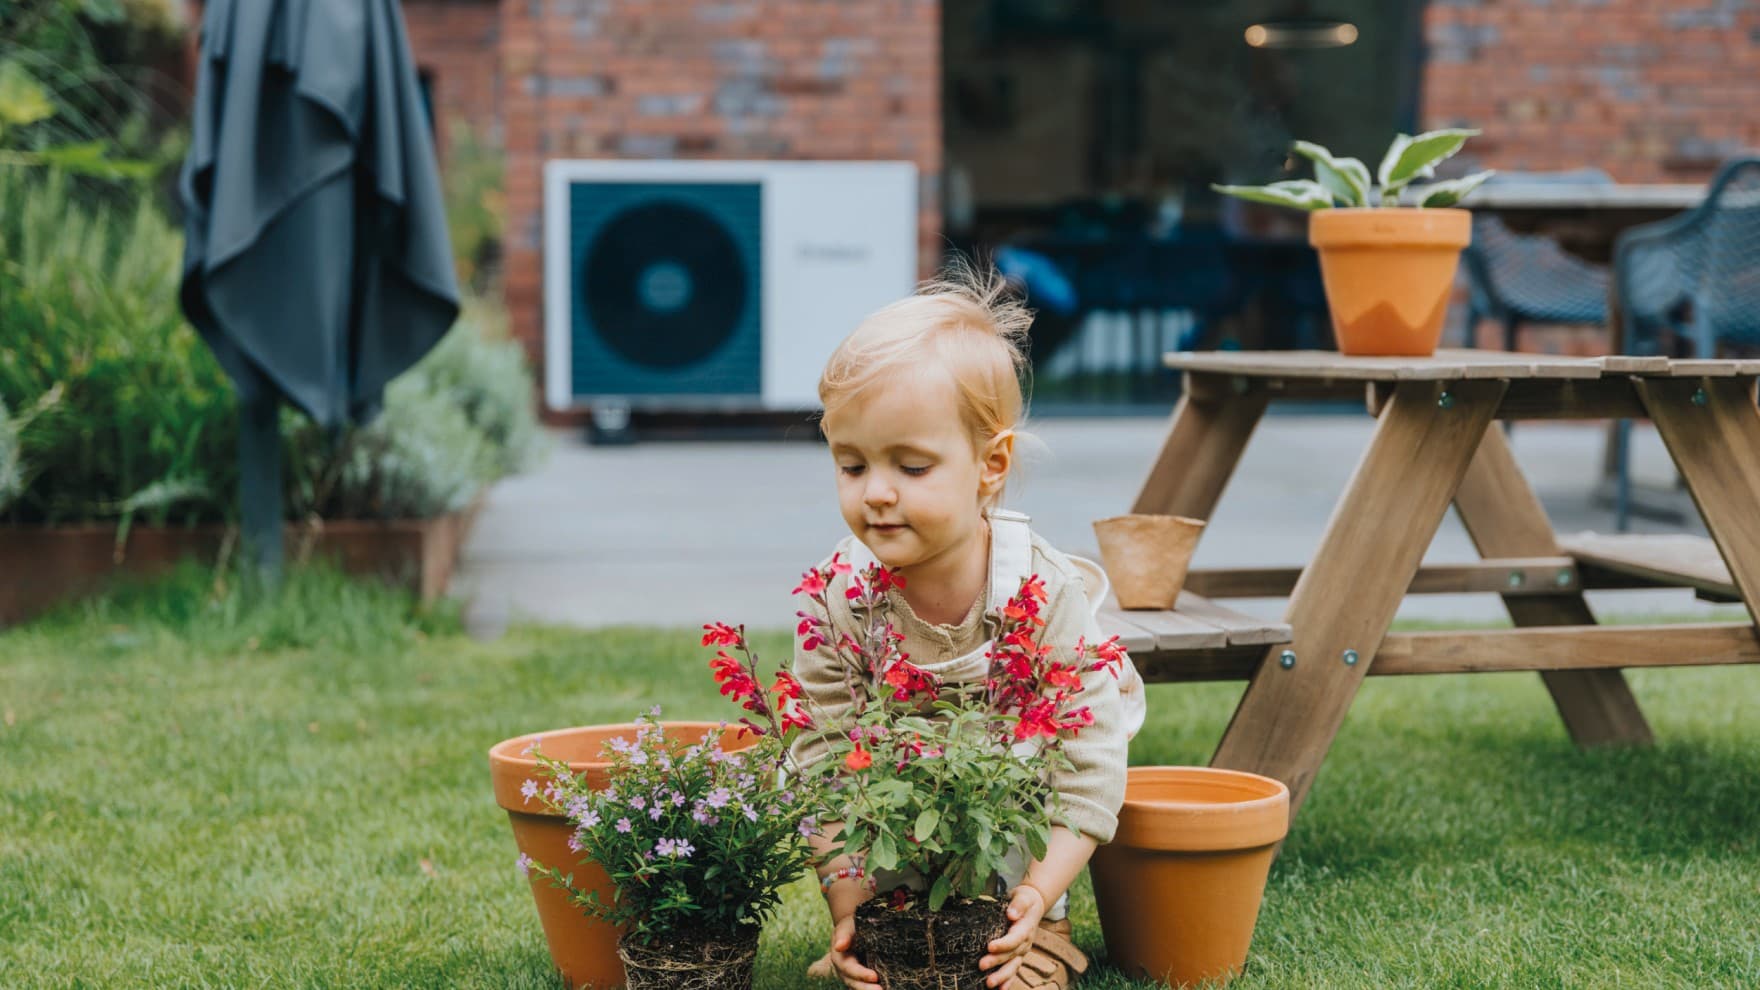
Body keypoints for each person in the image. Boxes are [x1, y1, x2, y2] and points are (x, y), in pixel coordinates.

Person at [793, 260, 1147, 989]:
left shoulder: (1040, 593)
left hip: (1021, 790)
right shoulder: (838, 597)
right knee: (835, 769)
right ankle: (888, 922)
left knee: (1019, 770)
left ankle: (1034, 931)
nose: (876, 493)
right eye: (852, 465)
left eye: (912, 467)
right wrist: (850, 912)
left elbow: (1087, 764)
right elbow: (822, 761)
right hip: (904, 796)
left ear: (991, 464)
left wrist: (1038, 895)